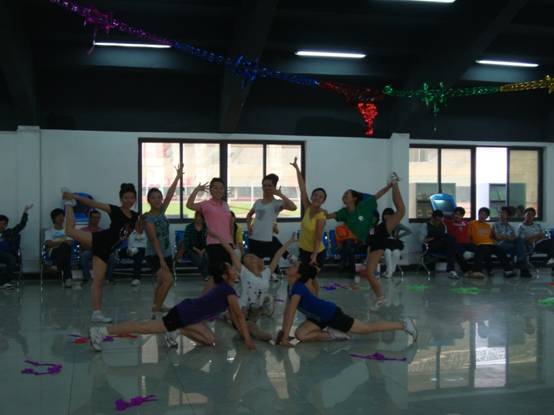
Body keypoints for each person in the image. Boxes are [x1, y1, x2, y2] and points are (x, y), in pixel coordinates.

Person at [88, 261, 256, 352]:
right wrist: (247, 339)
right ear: (225, 276)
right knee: (144, 328)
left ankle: (177, 330)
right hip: (183, 314)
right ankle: (102, 331)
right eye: (231, 268)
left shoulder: (226, 288)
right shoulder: (227, 291)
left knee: (210, 340)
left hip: (190, 315)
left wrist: (243, 334)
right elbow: (239, 316)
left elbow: (235, 316)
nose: (234, 269)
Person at [276, 261, 417, 347]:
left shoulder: (298, 289)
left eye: (294, 266)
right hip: (318, 318)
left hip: (331, 314)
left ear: (298, 274)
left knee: (366, 328)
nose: (290, 265)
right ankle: (334, 334)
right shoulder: (291, 287)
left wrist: (285, 337)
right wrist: (284, 335)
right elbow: (287, 311)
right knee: (300, 335)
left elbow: (290, 314)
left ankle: (403, 325)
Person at [62, 183, 139, 323]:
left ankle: (96, 313)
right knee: (69, 231)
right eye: (126, 197)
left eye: (132, 198)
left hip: (106, 250)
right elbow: (93, 203)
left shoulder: (135, 216)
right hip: (100, 240)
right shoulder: (114, 210)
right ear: (121, 198)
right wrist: (73, 196)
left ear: (135, 199)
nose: (129, 200)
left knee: (98, 281)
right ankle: (68, 203)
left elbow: (137, 231)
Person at [211, 229, 296, 341]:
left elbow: (278, 254)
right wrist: (217, 236)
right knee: (250, 327)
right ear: (245, 263)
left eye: (252, 256)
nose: (250, 257)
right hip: (243, 308)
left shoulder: (266, 273)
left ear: (258, 260)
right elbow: (231, 252)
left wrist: (290, 241)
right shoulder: (244, 272)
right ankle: (273, 337)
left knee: (248, 324)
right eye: (247, 257)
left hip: (255, 310)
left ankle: (226, 315)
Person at [144, 163, 183, 315]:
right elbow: (154, 240)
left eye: (159, 197)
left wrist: (178, 177)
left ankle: (157, 305)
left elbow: (171, 194)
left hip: (166, 254)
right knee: (168, 280)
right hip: (154, 255)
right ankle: (156, 308)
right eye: (153, 198)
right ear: (148, 200)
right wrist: (161, 259)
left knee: (162, 281)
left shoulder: (161, 212)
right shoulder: (148, 218)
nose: (157, 200)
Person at [360, 174, 405, 308]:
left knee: (401, 210)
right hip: (377, 244)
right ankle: (380, 297)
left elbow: (377, 196)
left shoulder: (381, 224)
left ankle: (395, 182)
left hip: (382, 238)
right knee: (369, 273)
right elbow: (369, 244)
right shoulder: (366, 224)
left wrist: (391, 185)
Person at [290, 157, 326, 295]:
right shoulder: (307, 208)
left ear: (323, 201)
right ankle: (316, 299)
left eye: (320, 197)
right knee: (310, 278)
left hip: (317, 253)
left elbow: (318, 238)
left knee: (307, 279)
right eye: (315, 195)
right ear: (312, 197)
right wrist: (297, 169)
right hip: (304, 250)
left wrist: (314, 256)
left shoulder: (321, 216)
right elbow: (302, 189)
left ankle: (314, 301)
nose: (317, 197)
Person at [246, 173, 297, 259]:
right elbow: (249, 215)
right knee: (254, 264)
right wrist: (249, 227)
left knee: (273, 263)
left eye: (269, 185)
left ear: (274, 187)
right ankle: (289, 256)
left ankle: (290, 257)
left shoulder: (277, 203)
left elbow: (293, 207)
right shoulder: (258, 202)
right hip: (254, 238)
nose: (266, 188)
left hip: (267, 239)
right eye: (264, 185)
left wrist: (280, 194)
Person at [186, 178, 233, 269]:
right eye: (215, 188)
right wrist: (196, 190)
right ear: (210, 190)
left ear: (224, 190)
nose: (218, 190)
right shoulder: (206, 204)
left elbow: (229, 223)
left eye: (221, 188)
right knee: (216, 273)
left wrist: (232, 240)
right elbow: (189, 205)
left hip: (228, 243)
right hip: (214, 244)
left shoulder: (225, 205)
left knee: (228, 272)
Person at [422, 210, 471, 279]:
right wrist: (435, 238)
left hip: (442, 245)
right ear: (432, 218)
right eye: (436, 220)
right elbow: (422, 240)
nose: (438, 222)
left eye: (440, 220)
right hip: (431, 246)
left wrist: (439, 237)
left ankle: (451, 271)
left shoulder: (443, 225)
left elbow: (445, 239)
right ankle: (463, 256)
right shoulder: (425, 226)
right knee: (448, 238)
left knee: (451, 248)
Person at [468, 207, 513, 278]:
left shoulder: (488, 225)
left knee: (500, 250)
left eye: (484, 215)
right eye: (481, 214)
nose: (482, 216)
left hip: (490, 244)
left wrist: (495, 241)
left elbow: (492, 236)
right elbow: (468, 236)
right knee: (484, 250)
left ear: (487, 217)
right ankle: (477, 271)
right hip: (479, 244)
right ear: (478, 214)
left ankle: (508, 271)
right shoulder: (472, 224)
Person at [492, 206, 531, 278]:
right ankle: (523, 269)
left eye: (503, 213)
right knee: (521, 248)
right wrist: (508, 237)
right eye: (500, 213)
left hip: (510, 244)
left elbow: (514, 237)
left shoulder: (510, 227)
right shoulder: (495, 225)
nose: (501, 214)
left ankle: (519, 264)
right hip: (500, 245)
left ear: (508, 216)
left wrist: (506, 237)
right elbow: (497, 237)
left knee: (519, 240)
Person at [0, 204, 32, 289]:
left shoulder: (9, 232)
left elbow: (21, 225)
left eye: (4, 224)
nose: (2, 226)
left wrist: (25, 212)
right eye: (0, 224)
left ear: (6, 225)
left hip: (6, 254)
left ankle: (5, 282)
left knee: (12, 259)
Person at [80, 210, 115, 284]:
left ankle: (109, 278)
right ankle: (87, 278)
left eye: (98, 218)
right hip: (89, 251)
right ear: (90, 218)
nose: (96, 220)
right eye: (94, 217)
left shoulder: (102, 231)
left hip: (100, 251)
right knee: (84, 255)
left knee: (111, 256)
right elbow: (83, 245)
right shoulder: (83, 230)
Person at [45, 208, 74, 288]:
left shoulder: (68, 231)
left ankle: (56, 265)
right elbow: (48, 244)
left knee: (64, 247)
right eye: (59, 216)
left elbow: (70, 242)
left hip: (66, 251)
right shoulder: (49, 231)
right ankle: (68, 279)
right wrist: (63, 241)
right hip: (53, 252)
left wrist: (56, 243)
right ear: (54, 218)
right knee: (64, 248)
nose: (61, 218)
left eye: (62, 216)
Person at [381, 208, 412, 279]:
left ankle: (389, 271)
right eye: (385, 215)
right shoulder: (382, 225)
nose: (386, 216)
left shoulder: (397, 224)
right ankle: (390, 271)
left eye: (388, 215)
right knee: (387, 251)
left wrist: (399, 236)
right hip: (385, 244)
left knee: (396, 253)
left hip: (394, 243)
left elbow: (409, 231)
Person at [179, 211, 209, 280]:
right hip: (192, 250)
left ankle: (206, 275)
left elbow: (209, 241)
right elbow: (187, 242)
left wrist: (203, 250)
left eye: (201, 217)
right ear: (195, 217)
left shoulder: (206, 227)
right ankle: (206, 275)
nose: (199, 219)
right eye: (198, 217)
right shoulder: (189, 227)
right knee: (199, 261)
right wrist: (197, 250)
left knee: (207, 257)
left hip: (204, 249)